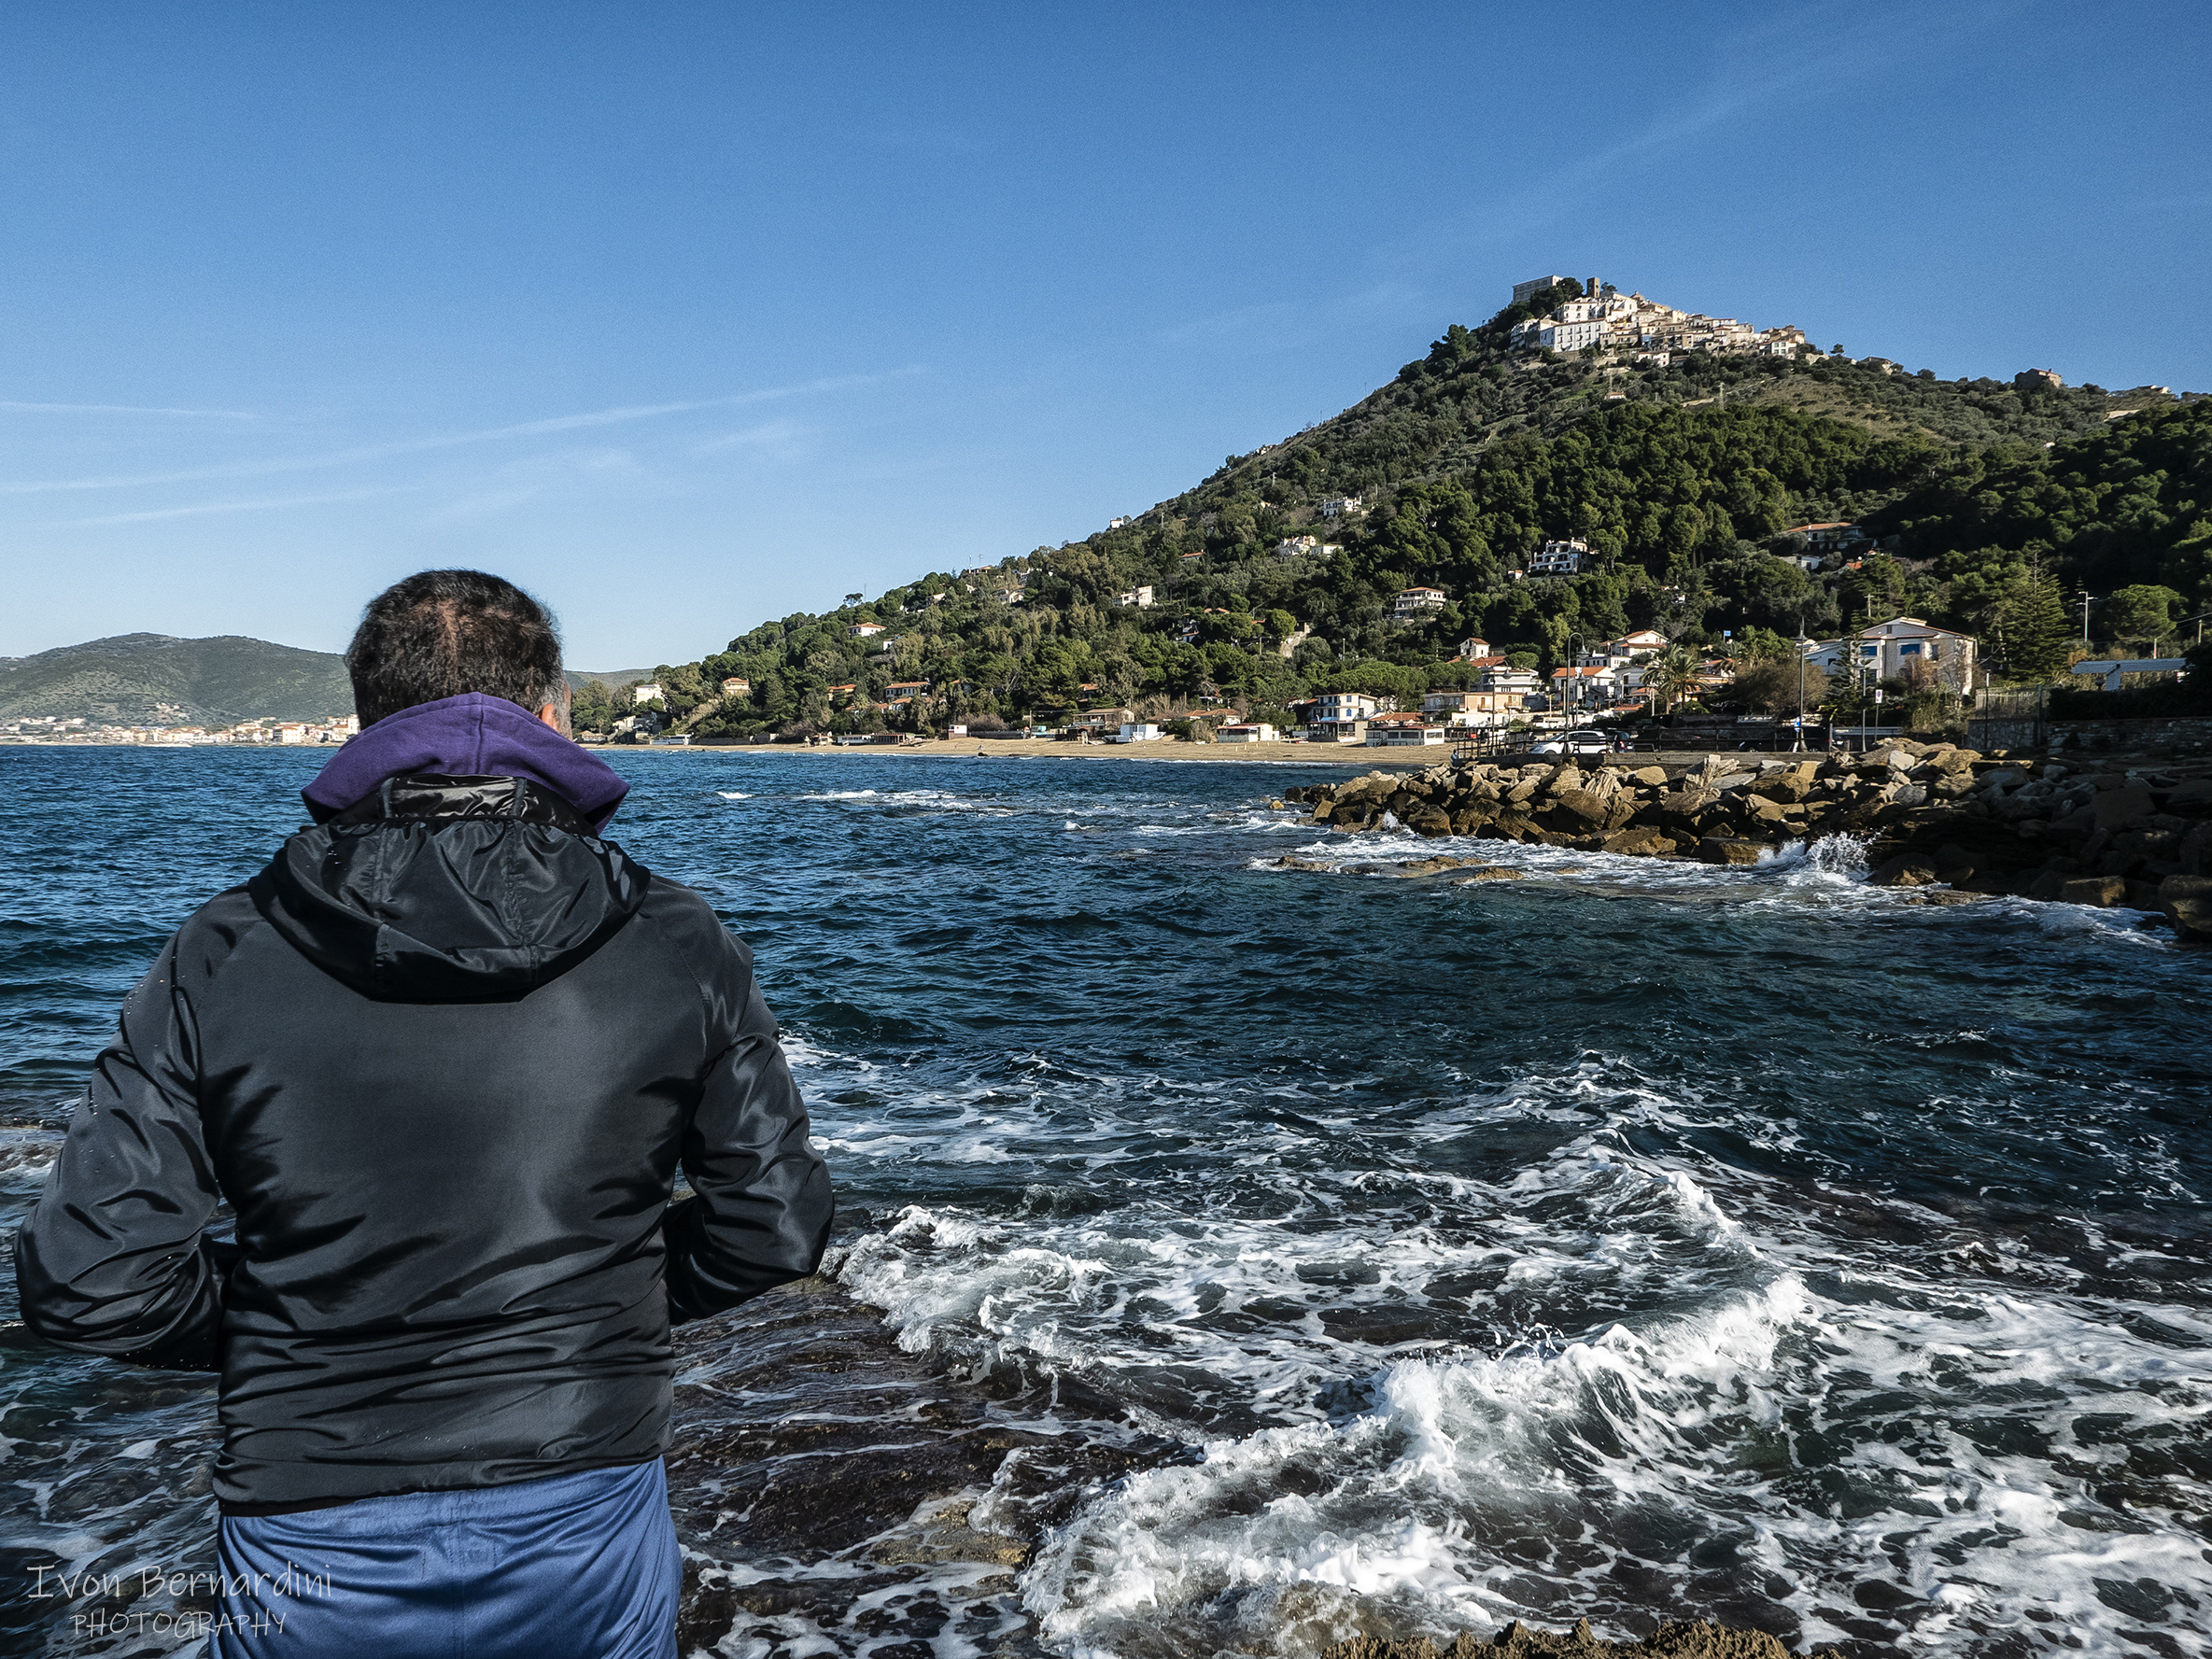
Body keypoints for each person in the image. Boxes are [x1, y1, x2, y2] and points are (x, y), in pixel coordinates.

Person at [14, 570, 832, 1657]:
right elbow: (771, 1224)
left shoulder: (221, 949)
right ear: (550, 713)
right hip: (581, 1494)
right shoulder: (676, 939)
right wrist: (602, 1303)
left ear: (367, 722)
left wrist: (291, 1323)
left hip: (304, 1512)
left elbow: (91, 1279)